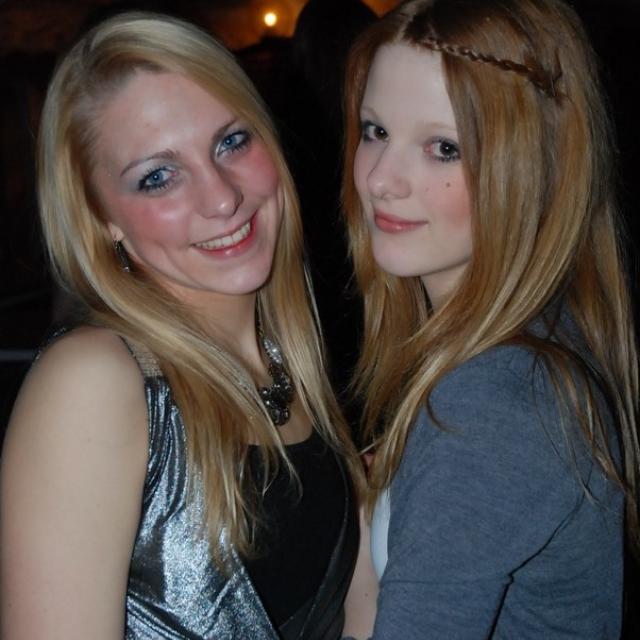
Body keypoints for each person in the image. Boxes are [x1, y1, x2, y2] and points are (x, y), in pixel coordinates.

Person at [0, 12, 362, 639]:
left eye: (232, 142)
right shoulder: (95, 382)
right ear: (102, 219)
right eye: (158, 177)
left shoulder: (289, 360)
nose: (222, 197)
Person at [341, 0, 640, 637]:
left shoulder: (490, 402)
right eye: (376, 131)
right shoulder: (533, 335)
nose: (382, 180)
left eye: (443, 148)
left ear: (533, 168)